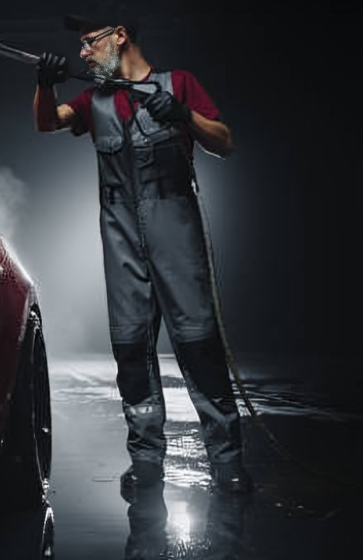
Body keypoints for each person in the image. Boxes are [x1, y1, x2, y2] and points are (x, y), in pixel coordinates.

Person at [32, 9, 253, 497]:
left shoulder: (178, 84)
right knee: (131, 349)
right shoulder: (94, 100)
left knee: (198, 344)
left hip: (175, 227)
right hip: (120, 236)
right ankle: (146, 461)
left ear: (121, 36)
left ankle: (228, 461)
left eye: (90, 43)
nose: (82, 53)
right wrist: (45, 84)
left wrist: (185, 116)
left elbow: (225, 142)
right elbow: (48, 122)